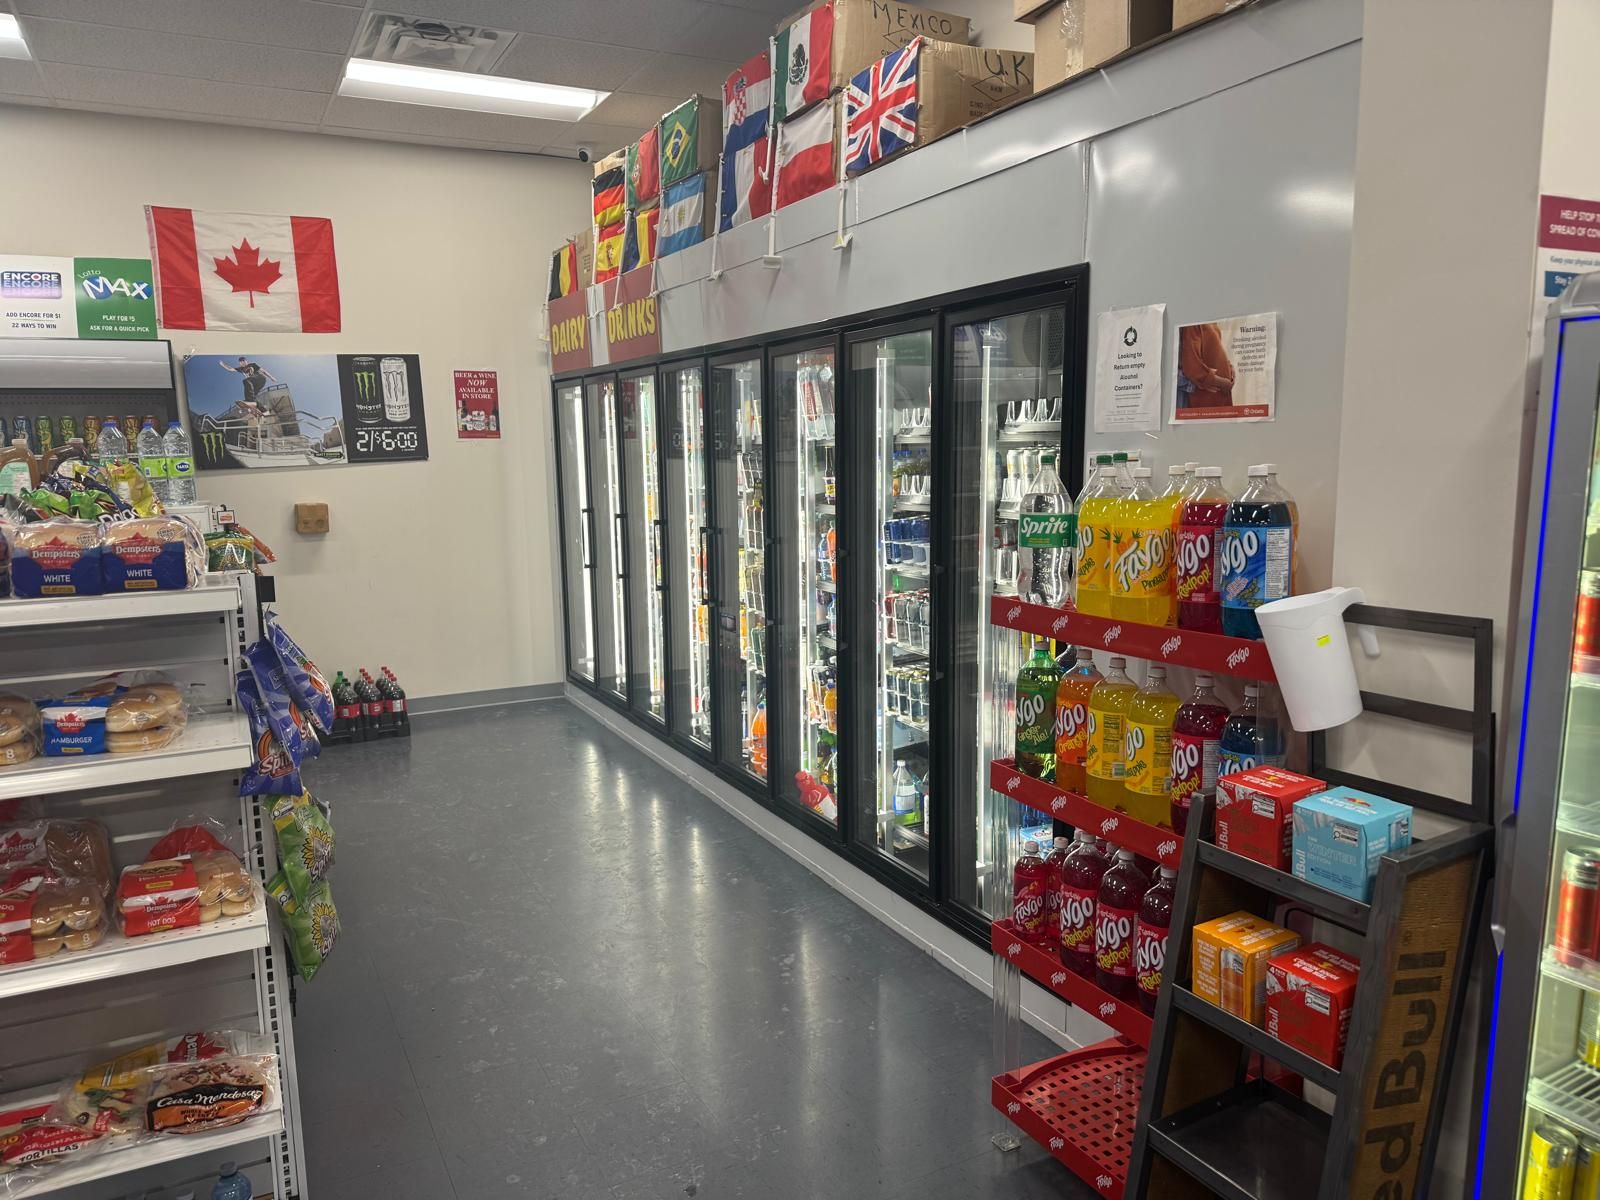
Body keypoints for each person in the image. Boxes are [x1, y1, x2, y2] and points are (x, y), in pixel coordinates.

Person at [1177, 322, 1236, 410]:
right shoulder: (1192, 325)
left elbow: (1214, 348)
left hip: (1220, 393)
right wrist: (1219, 382)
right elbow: (1192, 366)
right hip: (1208, 394)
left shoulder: (1211, 322)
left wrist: (1230, 367)